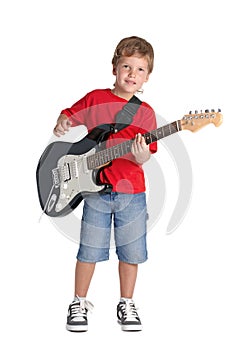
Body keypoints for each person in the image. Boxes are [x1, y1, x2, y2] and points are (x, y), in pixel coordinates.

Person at [53, 36, 157, 332]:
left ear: (147, 76)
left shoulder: (145, 113)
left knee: (131, 252)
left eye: (139, 69)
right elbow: (69, 115)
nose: (131, 74)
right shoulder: (96, 98)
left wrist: (140, 156)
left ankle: (126, 302)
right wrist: (62, 121)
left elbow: (145, 156)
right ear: (114, 68)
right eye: (126, 66)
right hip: (94, 192)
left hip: (132, 193)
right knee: (89, 250)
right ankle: (79, 301)